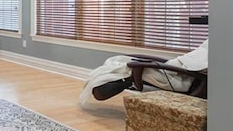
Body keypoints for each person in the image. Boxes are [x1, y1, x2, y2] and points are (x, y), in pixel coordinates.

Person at [79, 39, 208, 106]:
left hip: (183, 78)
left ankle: (124, 80)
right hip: (175, 69)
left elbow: (197, 68)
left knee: (126, 68)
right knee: (118, 62)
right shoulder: (211, 46)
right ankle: (119, 79)